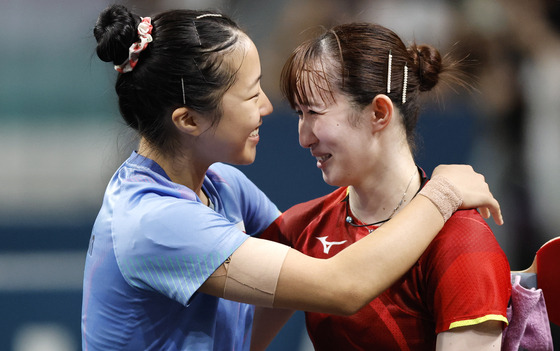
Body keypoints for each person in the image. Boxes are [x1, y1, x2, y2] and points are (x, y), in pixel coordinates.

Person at [82, 6, 503, 350]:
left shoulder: (222, 186)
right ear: (188, 119)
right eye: (251, 94)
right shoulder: (154, 222)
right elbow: (340, 284)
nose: (267, 107)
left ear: (379, 113)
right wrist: (442, 193)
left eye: (313, 111)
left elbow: (268, 303)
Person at [253, 23, 511, 350]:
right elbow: (234, 342)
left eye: (314, 112)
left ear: (378, 113)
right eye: (299, 114)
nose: (304, 138)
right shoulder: (300, 228)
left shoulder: (462, 239)